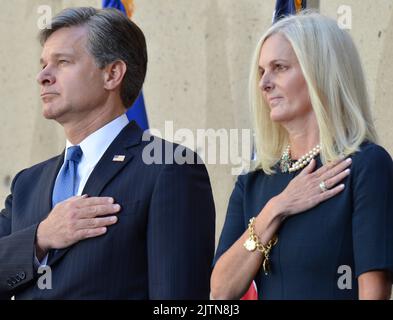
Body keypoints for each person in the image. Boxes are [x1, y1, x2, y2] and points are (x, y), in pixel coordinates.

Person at [0, 7, 215, 299]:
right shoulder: (27, 184)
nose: (43, 76)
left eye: (62, 62)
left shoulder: (169, 168)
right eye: (43, 65)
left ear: (112, 74)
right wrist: (41, 236)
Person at [211, 12, 393, 300]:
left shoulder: (365, 166)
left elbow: (374, 291)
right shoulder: (254, 182)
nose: (264, 83)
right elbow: (220, 292)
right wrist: (277, 208)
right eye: (261, 71)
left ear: (320, 72)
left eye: (279, 67)